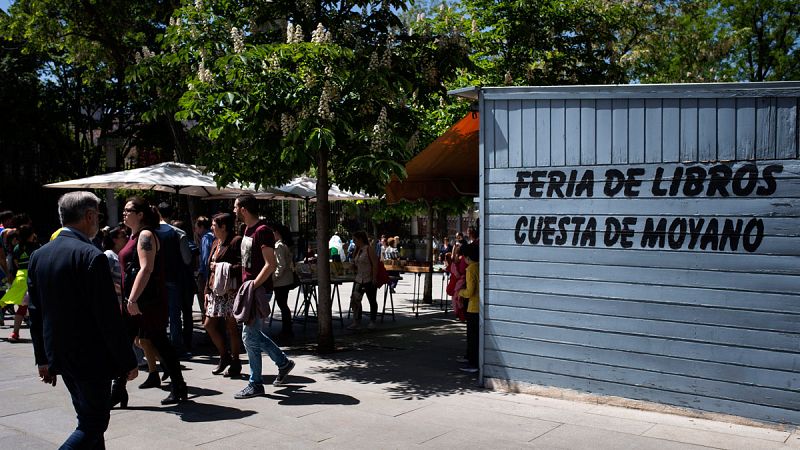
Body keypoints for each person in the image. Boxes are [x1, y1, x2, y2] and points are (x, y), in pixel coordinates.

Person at [27, 191, 138, 448]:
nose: (98, 220)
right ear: (89, 216)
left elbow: (36, 312)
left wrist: (43, 357)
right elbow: (107, 317)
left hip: (61, 355)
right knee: (93, 424)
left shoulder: (40, 255)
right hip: (90, 357)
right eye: (97, 215)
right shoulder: (91, 256)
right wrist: (126, 360)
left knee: (88, 419)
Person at [121, 197, 188, 404]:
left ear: (140, 214)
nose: (124, 213)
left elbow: (146, 268)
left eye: (128, 210)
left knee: (158, 342)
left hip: (145, 302)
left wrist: (132, 299)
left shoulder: (146, 235)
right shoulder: (134, 236)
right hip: (138, 300)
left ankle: (178, 386)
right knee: (127, 341)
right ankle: (119, 388)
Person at [232, 194, 295, 399]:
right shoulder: (247, 230)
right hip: (251, 289)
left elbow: (271, 265)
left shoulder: (263, 231)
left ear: (243, 209)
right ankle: (283, 362)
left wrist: (252, 286)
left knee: (248, 335)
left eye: (235, 207)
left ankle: (256, 383)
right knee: (252, 334)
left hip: (258, 290)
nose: (233, 211)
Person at [203, 212, 243, 377]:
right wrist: (206, 290)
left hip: (230, 291)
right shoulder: (214, 243)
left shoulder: (235, 241)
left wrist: (221, 267)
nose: (211, 227)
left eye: (214, 224)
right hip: (215, 290)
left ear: (223, 226)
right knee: (208, 324)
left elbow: (242, 266)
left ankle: (235, 361)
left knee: (231, 327)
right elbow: (209, 269)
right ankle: (224, 356)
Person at [155, 202, 193, 356]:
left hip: (154, 278)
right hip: (173, 278)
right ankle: (176, 347)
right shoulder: (178, 233)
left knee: (157, 314)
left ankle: (157, 346)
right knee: (174, 315)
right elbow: (187, 259)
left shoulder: (149, 232)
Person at [5, 224, 39, 342]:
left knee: (21, 307)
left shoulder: (16, 248)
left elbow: (16, 264)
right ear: (31, 235)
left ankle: (15, 333)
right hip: (32, 278)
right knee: (39, 307)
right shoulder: (36, 247)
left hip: (20, 278)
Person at [347, 231, 379, 330]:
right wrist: (352, 266)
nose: (354, 242)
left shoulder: (369, 249)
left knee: (372, 300)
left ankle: (372, 321)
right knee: (355, 299)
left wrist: (374, 277)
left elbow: (375, 264)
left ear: (360, 239)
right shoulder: (357, 250)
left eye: (355, 240)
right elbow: (355, 264)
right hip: (358, 279)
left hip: (368, 278)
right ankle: (356, 320)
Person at [458, 243, 480, 373]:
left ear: (467, 257)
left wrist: (460, 292)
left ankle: (473, 363)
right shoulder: (479, 266)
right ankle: (473, 361)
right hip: (480, 307)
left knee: (472, 337)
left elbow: (470, 291)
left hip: (472, 307)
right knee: (476, 337)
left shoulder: (470, 269)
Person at [272, 223, 295, 340]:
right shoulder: (284, 245)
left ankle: (287, 330)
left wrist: (274, 277)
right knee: (283, 305)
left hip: (281, 281)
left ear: (278, 233)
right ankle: (287, 329)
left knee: (282, 305)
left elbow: (281, 265)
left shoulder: (279, 246)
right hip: (285, 280)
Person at [194, 216, 214, 319]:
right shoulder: (213, 235)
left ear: (201, 226)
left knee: (205, 304)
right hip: (212, 275)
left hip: (206, 276)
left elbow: (206, 260)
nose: (196, 230)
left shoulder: (206, 238)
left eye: (196, 227)